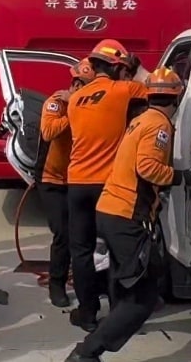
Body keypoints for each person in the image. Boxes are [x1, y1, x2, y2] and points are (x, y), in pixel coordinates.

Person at [66, 67, 191, 362]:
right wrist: (183, 177)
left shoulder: (140, 120)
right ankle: (88, 352)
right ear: (175, 99)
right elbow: (147, 167)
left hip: (110, 210)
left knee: (123, 280)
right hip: (126, 216)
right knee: (143, 297)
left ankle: (106, 329)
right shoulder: (159, 125)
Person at [65, 39, 150, 332]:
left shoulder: (75, 99)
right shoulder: (123, 90)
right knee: (116, 249)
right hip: (108, 186)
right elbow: (157, 88)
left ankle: (87, 313)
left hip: (76, 183)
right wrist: (134, 69)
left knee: (81, 251)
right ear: (116, 67)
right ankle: (118, 313)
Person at [38, 59, 96, 308]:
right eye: (80, 85)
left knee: (83, 235)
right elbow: (48, 132)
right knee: (63, 233)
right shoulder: (56, 102)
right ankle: (57, 284)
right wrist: (73, 109)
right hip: (52, 179)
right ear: (74, 83)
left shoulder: (93, 107)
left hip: (79, 178)